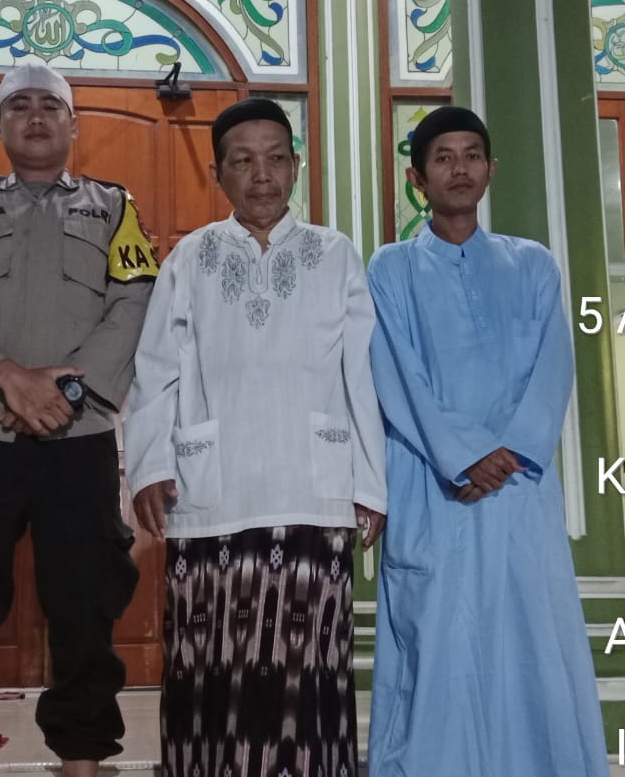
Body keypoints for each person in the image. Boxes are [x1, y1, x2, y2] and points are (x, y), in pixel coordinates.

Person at [0, 62, 158, 777]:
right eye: (19, 106)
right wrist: (10, 379)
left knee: (85, 604)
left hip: (78, 437)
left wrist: (62, 396)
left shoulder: (115, 207)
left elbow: (135, 300)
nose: (36, 117)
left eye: (51, 105)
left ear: (74, 124)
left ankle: (82, 761)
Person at [124, 98, 388, 777]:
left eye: (275, 158)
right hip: (213, 499)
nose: (261, 174)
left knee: (307, 673)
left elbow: (362, 373)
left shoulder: (335, 254)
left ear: (296, 166)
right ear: (218, 174)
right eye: (242, 161)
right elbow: (155, 369)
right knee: (210, 672)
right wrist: (148, 465)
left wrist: (369, 484)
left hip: (312, 495)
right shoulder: (190, 257)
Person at [365, 106, 609, 776]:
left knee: (530, 639)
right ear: (418, 179)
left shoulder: (532, 265)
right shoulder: (391, 269)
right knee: (437, 643)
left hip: (518, 491)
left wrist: (513, 450)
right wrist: (465, 453)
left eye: (472, 155)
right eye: (443, 157)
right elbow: (396, 374)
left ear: (491, 169)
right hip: (434, 486)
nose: (460, 169)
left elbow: (553, 368)